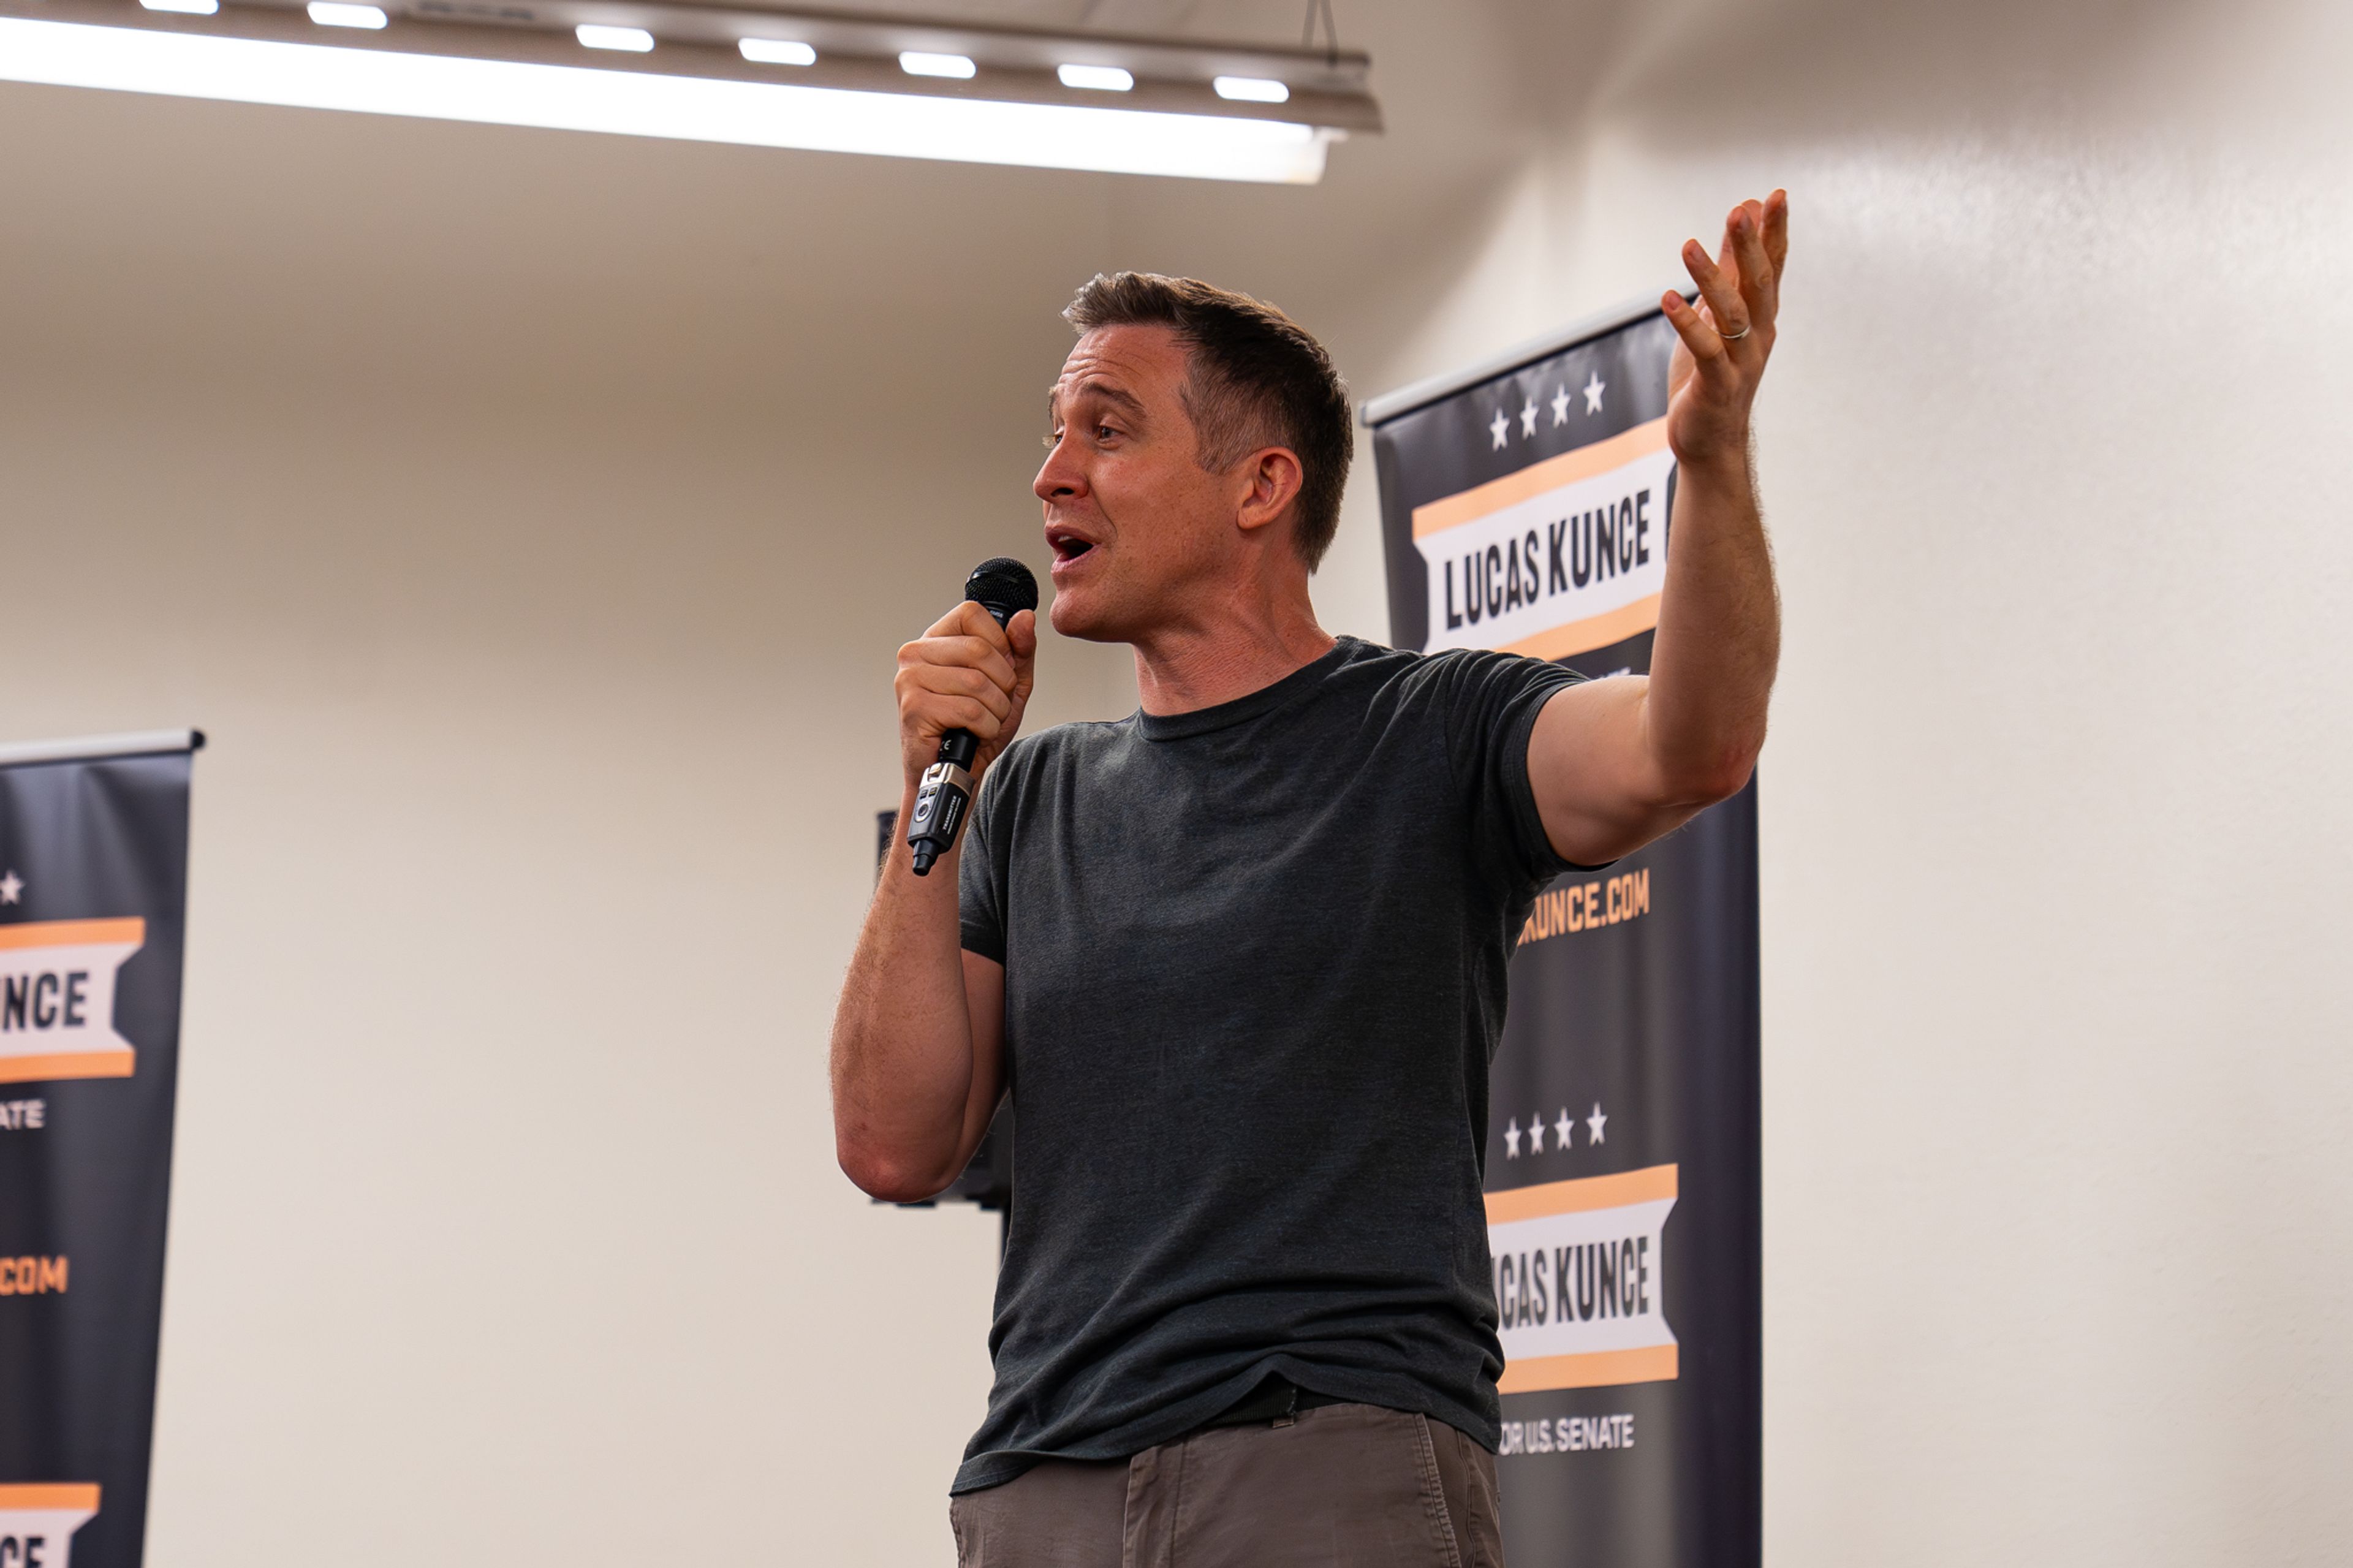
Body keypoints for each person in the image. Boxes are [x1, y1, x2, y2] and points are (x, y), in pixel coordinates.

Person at [831, 192, 1789, 1567]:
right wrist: (943, 775)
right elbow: (889, 1141)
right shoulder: (1030, 798)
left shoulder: (1435, 730)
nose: (1051, 473)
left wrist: (1712, 458)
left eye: (1106, 428)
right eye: (1053, 430)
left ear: (1260, 485)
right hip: (1043, 1484)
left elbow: (1690, 744)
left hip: (1322, 1468)